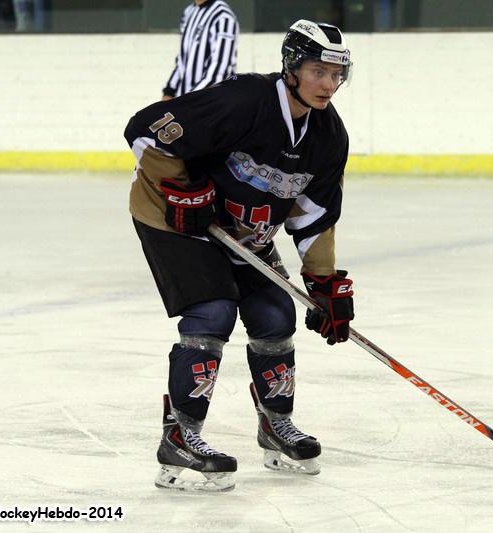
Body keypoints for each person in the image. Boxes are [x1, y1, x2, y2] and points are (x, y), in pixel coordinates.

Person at [125, 20, 354, 492]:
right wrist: (184, 192)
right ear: (291, 67)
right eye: (317, 70)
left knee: (275, 317)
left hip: (246, 235)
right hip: (176, 222)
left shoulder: (328, 136)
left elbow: (312, 215)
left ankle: (276, 426)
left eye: (336, 74)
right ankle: (180, 439)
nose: (328, 84)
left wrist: (324, 285)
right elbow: (146, 131)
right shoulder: (242, 101)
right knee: (212, 312)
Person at [162, 0, 239, 100]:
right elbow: (182, 59)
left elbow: (220, 71)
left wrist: (188, 101)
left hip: (211, 103)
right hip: (186, 101)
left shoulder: (224, 17)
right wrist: (170, 91)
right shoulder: (189, 12)